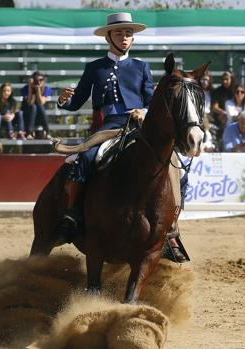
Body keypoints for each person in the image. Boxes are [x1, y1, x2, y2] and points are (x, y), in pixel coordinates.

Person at [55, 12, 153, 242]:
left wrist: (144, 111)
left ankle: (170, 227)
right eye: (119, 33)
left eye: (128, 33)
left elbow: (151, 102)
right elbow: (75, 102)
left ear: (133, 39)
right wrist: (62, 101)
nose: (124, 37)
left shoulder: (142, 67)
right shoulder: (94, 68)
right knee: (87, 157)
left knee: (172, 161)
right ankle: (72, 214)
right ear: (108, 38)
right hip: (107, 125)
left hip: (138, 126)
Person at [21, 71, 53, 140]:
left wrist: (38, 90)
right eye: (36, 80)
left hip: (41, 117)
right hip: (27, 116)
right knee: (33, 107)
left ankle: (47, 132)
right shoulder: (25, 88)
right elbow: (29, 102)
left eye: (41, 80)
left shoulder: (46, 89)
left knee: (39, 106)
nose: (38, 82)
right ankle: (29, 133)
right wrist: (30, 88)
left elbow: (41, 102)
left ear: (44, 81)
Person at [210, 71, 235, 140]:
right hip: (222, 117)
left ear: (232, 79)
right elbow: (215, 107)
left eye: (227, 79)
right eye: (223, 79)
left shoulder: (237, 91)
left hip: (235, 117)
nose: (224, 81)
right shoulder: (217, 92)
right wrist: (225, 113)